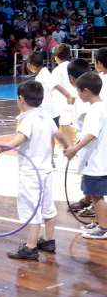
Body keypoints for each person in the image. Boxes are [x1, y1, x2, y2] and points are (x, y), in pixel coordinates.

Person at [0, 81, 69, 260]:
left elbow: (19, 139)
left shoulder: (28, 120)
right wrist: (68, 148)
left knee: (32, 209)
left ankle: (30, 248)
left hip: (31, 173)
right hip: (46, 171)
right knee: (47, 207)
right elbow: (59, 135)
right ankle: (50, 240)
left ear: (20, 99)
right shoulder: (45, 116)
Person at [64, 72, 107, 239]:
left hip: (95, 161)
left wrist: (74, 149)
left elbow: (90, 134)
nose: (78, 94)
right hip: (100, 158)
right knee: (96, 193)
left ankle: (103, 228)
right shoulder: (102, 106)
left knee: (97, 195)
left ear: (86, 91)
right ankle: (99, 222)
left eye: (78, 91)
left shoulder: (95, 111)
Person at [51, 44, 76, 144]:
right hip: (75, 100)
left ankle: (71, 148)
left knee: (65, 125)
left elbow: (55, 85)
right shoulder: (74, 66)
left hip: (62, 103)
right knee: (71, 125)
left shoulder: (57, 70)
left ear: (56, 56)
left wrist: (67, 95)